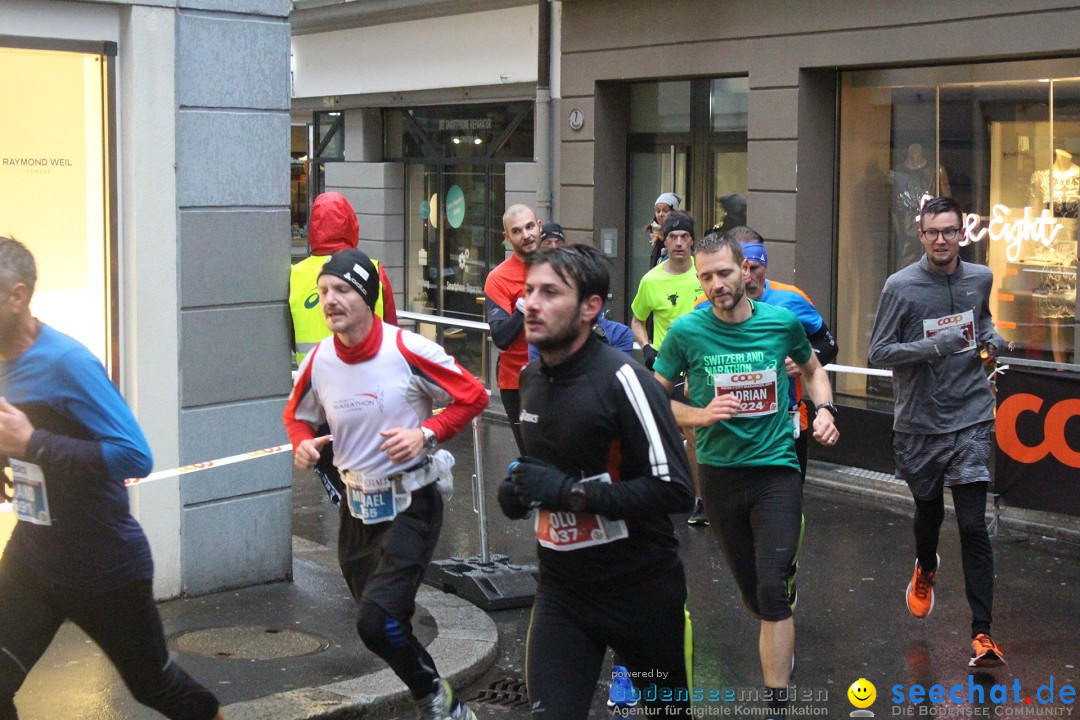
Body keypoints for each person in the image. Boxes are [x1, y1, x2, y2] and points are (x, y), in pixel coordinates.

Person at [0, 237, 224, 720]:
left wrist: (33, 442)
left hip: (103, 566)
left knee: (156, 688)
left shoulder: (67, 363)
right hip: (33, 559)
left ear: (16, 296)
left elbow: (134, 456)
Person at [283, 249, 488, 720]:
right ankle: (440, 696)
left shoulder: (407, 350)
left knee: (377, 621)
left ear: (367, 297)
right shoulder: (319, 361)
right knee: (379, 624)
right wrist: (303, 444)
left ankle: (441, 706)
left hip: (411, 501)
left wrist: (425, 432)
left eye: (341, 290)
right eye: (323, 292)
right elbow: (297, 415)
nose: (330, 300)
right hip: (356, 511)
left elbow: (473, 395)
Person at [499, 244, 695, 718]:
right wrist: (520, 491)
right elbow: (546, 473)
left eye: (550, 292)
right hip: (562, 593)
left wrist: (571, 495)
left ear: (590, 307)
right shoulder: (530, 379)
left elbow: (676, 491)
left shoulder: (626, 379)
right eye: (529, 292)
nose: (533, 304)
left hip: (640, 593)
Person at [654, 231, 839, 719]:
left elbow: (814, 368)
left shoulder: (781, 322)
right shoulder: (686, 333)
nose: (717, 284)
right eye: (707, 276)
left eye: (725, 273)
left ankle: (777, 704)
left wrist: (825, 410)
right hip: (718, 476)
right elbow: (651, 399)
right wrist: (700, 415)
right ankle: (775, 615)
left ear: (746, 270)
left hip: (776, 469)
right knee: (756, 595)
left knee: (773, 587)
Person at [868, 196, 1007, 669]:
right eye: (934, 233)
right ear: (921, 235)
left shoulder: (979, 278)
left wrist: (991, 338)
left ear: (960, 234)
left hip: (970, 416)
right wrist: (933, 346)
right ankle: (925, 567)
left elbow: (982, 321)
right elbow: (879, 352)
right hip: (920, 425)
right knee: (929, 513)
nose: (943, 240)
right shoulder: (900, 287)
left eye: (951, 231)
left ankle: (982, 633)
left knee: (972, 525)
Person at [288, 191, 400, 586]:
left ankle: (367, 559)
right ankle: (379, 563)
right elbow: (395, 329)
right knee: (372, 483)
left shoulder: (296, 275)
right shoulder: (371, 268)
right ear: (352, 223)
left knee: (345, 483)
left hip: (320, 404)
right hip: (374, 400)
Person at [698, 227, 839, 481]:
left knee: (786, 504)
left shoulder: (791, 299)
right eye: (743, 269)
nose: (749, 277)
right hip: (727, 427)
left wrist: (800, 362)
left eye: (756, 269)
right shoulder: (704, 305)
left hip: (786, 419)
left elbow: (828, 345)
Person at [631, 211, 707, 526]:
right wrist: (647, 348)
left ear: (692, 240)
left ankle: (702, 497)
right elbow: (637, 320)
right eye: (672, 237)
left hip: (703, 363)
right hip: (668, 365)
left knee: (696, 430)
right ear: (664, 239)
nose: (678, 243)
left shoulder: (704, 273)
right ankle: (688, 494)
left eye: (684, 237)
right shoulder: (651, 280)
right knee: (671, 429)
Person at [485, 203, 540, 454]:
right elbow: (501, 337)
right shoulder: (498, 278)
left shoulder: (558, 265)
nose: (526, 235)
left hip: (560, 374)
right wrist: (522, 307)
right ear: (507, 238)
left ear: (539, 226)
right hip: (518, 382)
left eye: (530, 227)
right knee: (533, 456)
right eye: (517, 231)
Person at [648, 192, 682, 267]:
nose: (661, 214)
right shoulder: (657, 236)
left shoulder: (680, 233)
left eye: (665, 211)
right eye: (658, 211)